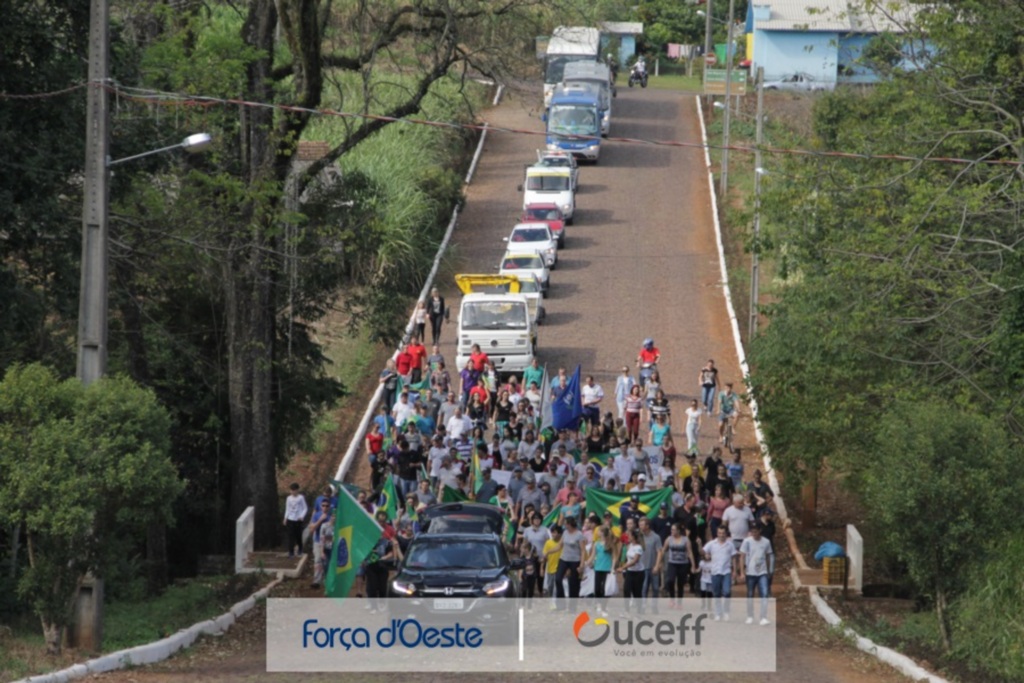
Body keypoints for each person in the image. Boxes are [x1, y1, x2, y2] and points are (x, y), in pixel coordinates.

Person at [740, 524, 775, 625]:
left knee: (764, 594)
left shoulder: (766, 542)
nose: (754, 534)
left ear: (760, 531)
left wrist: (768, 571)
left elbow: (768, 556)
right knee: (750, 594)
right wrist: (742, 572)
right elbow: (742, 556)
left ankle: (763, 617)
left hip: (762, 572)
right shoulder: (747, 541)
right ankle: (750, 616)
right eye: (752, 532)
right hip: (750, 572)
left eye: (756, 532)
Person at [658, 522, 696, 607]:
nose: (671, 531)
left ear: (678, 531)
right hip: (672, 563)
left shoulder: (685, 539)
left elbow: (690, 552)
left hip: (683, 564)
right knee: (670, 580)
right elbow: (663, 550)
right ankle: (672, 598)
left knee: (680, 584)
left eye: (673, 529)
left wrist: (693, 565)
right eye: (671, 529)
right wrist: (659, 562)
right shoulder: (669, 539)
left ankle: (679, 603)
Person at [706, 525, 738, 621]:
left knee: (727, 592)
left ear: (726, 534)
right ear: (717, 533)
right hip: (715, 571)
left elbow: (734, 558)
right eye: (719, 533)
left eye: (723, 533)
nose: (721, 535)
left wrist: (735, 571)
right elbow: (703, 551)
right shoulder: (712, 544)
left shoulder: (730, 544)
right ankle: (718, 613)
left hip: (726, 571)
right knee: (716, 593)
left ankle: (726, 612)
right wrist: (702, 549)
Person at [617, 528, 647, 614]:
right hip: (630, 571)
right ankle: (626, 610)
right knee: (626, 590)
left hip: (638, 573)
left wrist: (623, 568)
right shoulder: (630, 545)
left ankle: (639, 611)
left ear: (634, 537)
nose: (628, 537)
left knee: (637, 592)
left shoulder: (639, 547)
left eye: (629, 535)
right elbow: (627, 558)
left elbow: (634, 561)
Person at [638, 517, 663, 613]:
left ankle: (654, 606)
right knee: (643, 588)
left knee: (655, 588)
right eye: (639, 525)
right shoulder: (639, 536)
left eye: (642, 525)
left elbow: (659, 552)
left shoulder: (656, 537)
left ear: (647, 526)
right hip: (642, 567)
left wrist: (657, 566)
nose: (640, 526)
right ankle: (643, 607)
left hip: (653, 566)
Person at [589, 525, 615, 616]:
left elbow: (614, 557)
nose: (597, 532)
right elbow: (593, 555)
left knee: (605, 588)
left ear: (603, 533)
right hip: (598, 568)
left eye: (599, 531)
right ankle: (598, 604)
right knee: (597, 587)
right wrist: (587, 562)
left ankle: (603, 606)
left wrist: (613, 567)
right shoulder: (596, 544)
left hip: (606, 568)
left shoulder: (610, 544)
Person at [308, 498, 333, 588]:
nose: (325, 507)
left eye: (327, 506)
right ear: (320, 506)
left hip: (329, 541)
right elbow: (311, 529)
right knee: (318, 560)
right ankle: (316, 581)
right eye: (323, 505)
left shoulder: (332, 516)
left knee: (327, 562)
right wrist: (320, 520)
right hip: (318, 540)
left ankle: (327, 581)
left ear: (329, 507)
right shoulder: (316, 515)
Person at [282, 483, 308, 558]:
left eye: (294, 490)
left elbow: (305, 508)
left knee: (298, 536)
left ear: (297, 490)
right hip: (290, 519)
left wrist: (302, 516)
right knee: (291, 536)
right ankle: (291, 552)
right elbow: (287, 508)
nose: (293, 492)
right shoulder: (288, 498)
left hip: (298, 520)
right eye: (291, 490)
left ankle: (300, 548)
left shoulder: (301, 498)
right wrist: (285, 518)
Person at [543, 525, 563, 609]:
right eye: (552, 532)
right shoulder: (548, 543)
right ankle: (551, 599)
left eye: (555, 532)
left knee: (557, 585)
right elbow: (545, 555)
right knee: (550, 585)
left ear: (560, 534)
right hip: (550, 567)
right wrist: (542, 567)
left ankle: (557, 603)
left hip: (559, 567)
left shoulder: (562, 544)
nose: (553, 534)